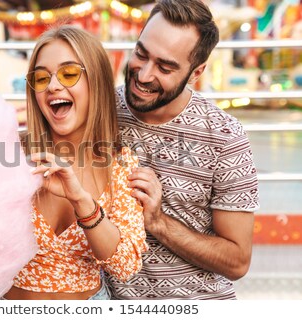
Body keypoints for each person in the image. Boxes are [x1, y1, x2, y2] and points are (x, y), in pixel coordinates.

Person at [106, 0, 260, 299]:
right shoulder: (101, 110)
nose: (144, 75)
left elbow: (238, 261)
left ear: (196, 72)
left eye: (165, 67)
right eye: (141, 54)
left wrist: (158, 222)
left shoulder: (225, 136)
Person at [3, 25, 148, 300]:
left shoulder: (119, 165)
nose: (54, 86)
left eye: (69, 73)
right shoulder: (10, 152)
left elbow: (125, 266)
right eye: (41, 78)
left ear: (96, 82)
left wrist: (82, 201)